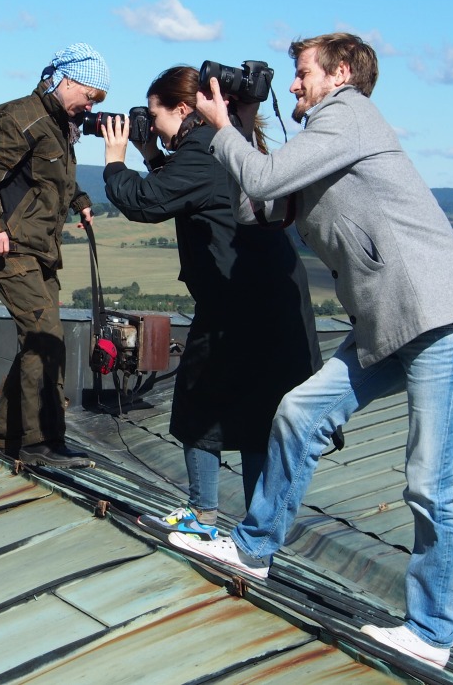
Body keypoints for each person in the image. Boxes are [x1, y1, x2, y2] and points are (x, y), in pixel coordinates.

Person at [173, 33, 453, 668]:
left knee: (429, 483)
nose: (294, 85)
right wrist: (239, 125)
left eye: (302, 73)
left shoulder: (347, 115)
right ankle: (254, 547)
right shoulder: (324, 134)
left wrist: (223, 129)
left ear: (342, 73)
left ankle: (432, 633)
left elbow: (265, 177)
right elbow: (262, 207)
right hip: (390, 320)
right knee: (301, 410)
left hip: (443, 317)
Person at [99, 66, 321, 539]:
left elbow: (146, 202)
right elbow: (194, 193)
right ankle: (258, 532)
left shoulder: (201, 152)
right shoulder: (225, 140)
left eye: (153, 115)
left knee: (199, 408)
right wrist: (152, 154)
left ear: (183, 109)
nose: (149, 123)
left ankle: (205, 519)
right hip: (270, 300)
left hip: (236, 305)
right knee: (261, 414)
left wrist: (117, 160)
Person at [0, 43, 109, 468]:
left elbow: (46, 178)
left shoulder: (59, 123)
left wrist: (79, 198)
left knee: (42, 338)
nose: (90, 105)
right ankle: (40, 441)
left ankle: (6, 433)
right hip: (11, 246)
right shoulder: (24, 118)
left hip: (38, 248)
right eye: (90, 95)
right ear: (66, 80)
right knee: (45, 339)